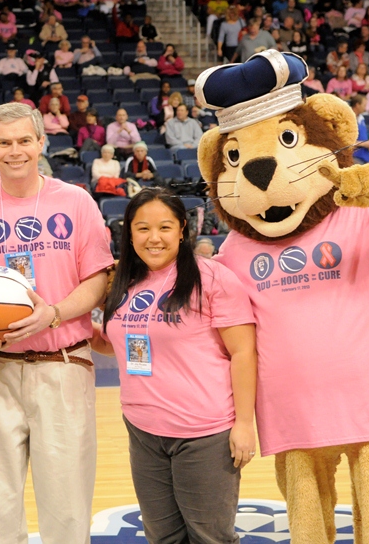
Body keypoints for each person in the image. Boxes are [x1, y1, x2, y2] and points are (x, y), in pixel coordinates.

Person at [0, 103, 113, 544]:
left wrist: (52, 313)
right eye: (3, 143)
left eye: (23, 141)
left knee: (67, 506)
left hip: (63, 364)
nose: (14, 151)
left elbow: (97, 279)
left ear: (41, 142)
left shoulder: (75, 201)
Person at [92, 188, 256, 543]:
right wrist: (82, 332)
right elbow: (122, 344)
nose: (154, 238)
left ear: (182, 230)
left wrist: (244, 424)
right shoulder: (124, 282)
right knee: (162, 536)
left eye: (165, 227)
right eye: (143, 228)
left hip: (203, 433)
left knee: (209, 537)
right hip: (143, 430)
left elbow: (243, 352)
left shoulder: (211, 277)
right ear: (129, 233)